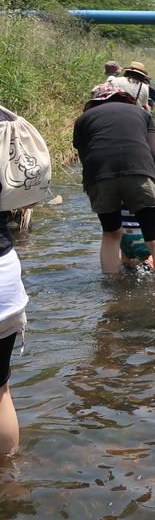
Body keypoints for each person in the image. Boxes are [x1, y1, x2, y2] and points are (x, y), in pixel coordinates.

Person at [72, 82, 155, 282]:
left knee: (111, 235)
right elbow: (154, 155)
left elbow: (87, 160)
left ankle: (112, 293)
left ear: (94, 103)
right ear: (124, 98)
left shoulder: (83, 119)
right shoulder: (141, 113)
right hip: (140, 173)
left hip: (99, 177)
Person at [0, 107, 50, 455]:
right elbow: (28, 193)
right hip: (3, 270)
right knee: (0, 390)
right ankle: (10, 481)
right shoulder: (4, 120)